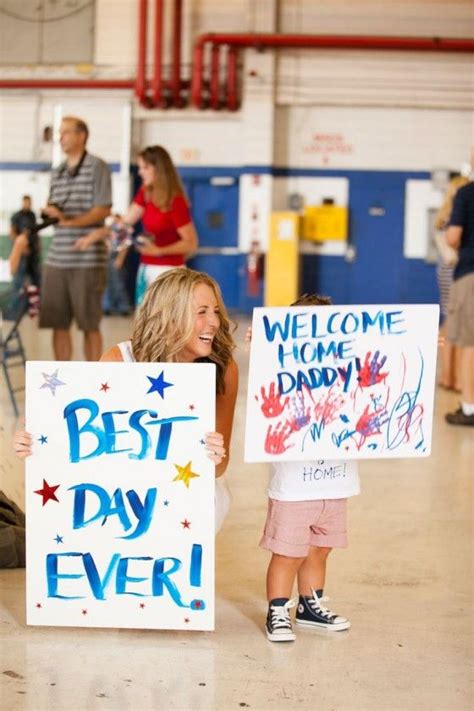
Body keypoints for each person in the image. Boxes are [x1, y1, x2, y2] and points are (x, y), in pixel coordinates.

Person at [13, 268, 239, 532]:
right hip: (123, 488)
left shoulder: (223, 368)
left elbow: (220, 466)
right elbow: (87, 437)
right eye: (202, 312)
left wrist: (211, 453)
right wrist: (36, 443)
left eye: (215, 310)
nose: (214, 322)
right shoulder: (120, 360)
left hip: (187, 483)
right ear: (170, 315)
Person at [254, 294, 360, 642]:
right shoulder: (283, 373)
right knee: (287, 551)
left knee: (321, 548)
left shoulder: (347, 375)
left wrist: (421, 343)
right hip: (295, 487)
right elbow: (266, 387)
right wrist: (265, 349)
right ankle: (277, 609)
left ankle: (310, 605)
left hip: (336, 483)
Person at [39, 116, 112, 361]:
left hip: (87, 261)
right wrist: (51, 213)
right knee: (58, 323)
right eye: (60, 133)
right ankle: (65, 381)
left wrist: (69, 221)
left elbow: (102, 209)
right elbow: (56, 207)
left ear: (82, 136)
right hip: (56, 258)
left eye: (66, 132)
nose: (61, 138)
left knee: (89, 324)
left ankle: (94, 381)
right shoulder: (57, 172)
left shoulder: (97, 166)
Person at [120, 145, 198, 306]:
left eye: (145, 167)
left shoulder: (176, 202)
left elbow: (191, 243)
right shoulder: (145, 193)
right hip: (146, 268)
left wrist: (159, 250)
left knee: (167, 324)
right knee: (145, 321)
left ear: (159, 169)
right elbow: (126, 221)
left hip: (169, 271)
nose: (140, 172)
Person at [433, 176, 469, 390]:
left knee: (449, 322)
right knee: (451, 325)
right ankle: (450, 376)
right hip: (454, 270)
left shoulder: (444, 217)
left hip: (447, 270)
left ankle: (449, 375)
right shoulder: (456, 218)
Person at [444, 177, 474, 426]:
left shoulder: (466, 193)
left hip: (470, 275)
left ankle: (469, 407)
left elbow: (453, 237)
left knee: (470, 344)